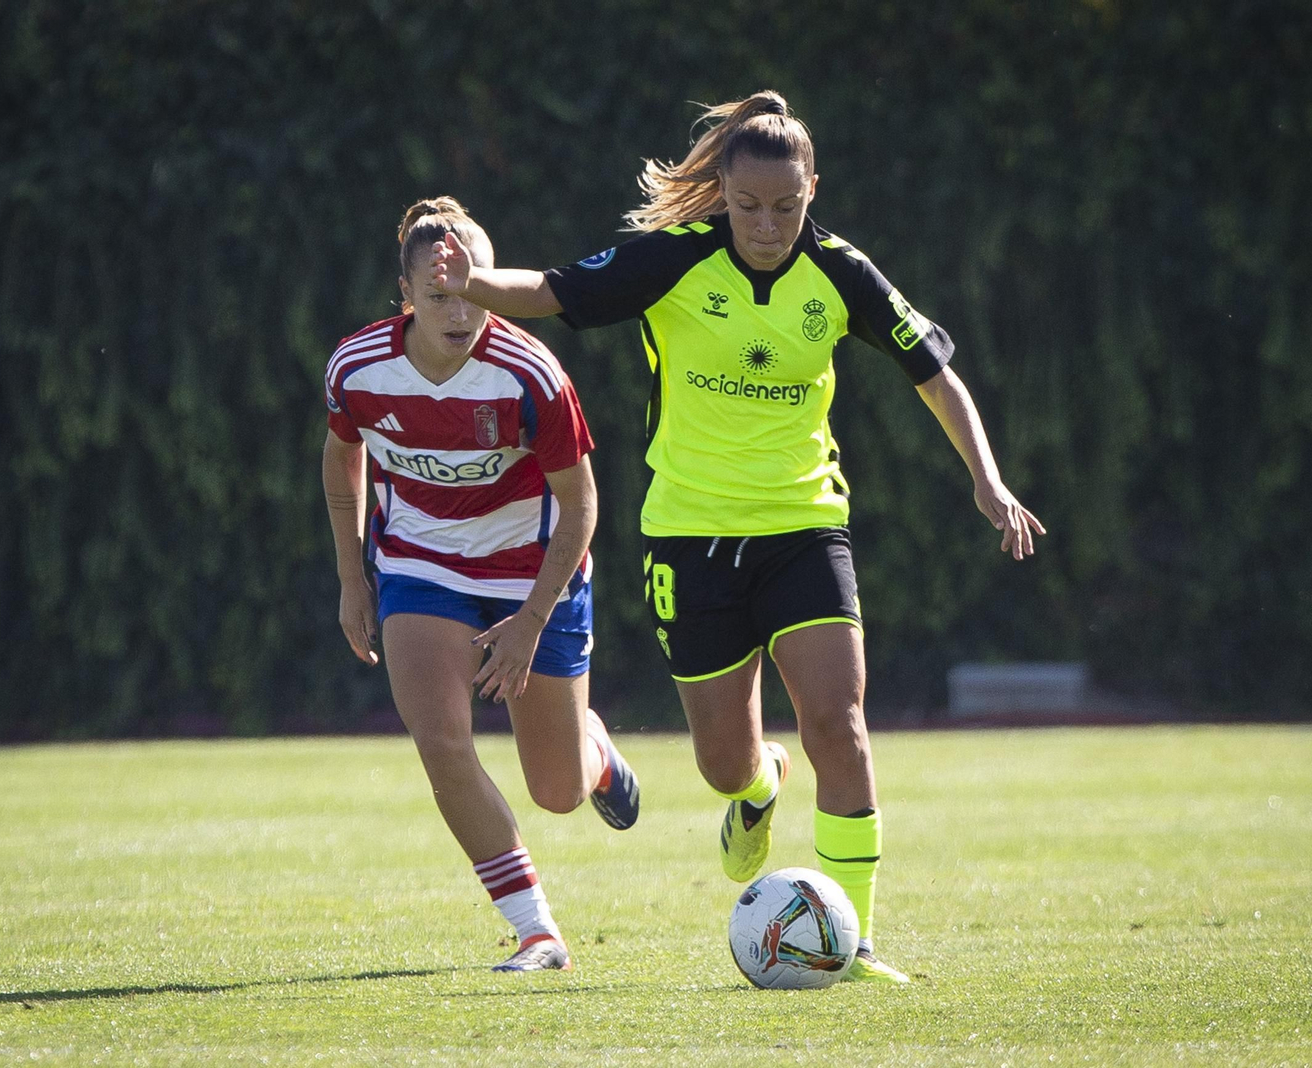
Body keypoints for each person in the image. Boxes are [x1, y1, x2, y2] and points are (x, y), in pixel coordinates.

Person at [429, 92, 1045, 985]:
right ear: (721, 192)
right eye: (749, 206)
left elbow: (936, 376)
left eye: (786, 207)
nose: (767, 224)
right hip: (690, 538)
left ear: (812, 191)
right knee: (723, 766)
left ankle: (854, 942)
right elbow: (555, 293)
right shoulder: (674, 262)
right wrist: (472, 285)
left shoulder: (841, 272)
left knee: (841, 724)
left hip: (804, 526)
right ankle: (761, 784)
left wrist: (986, 480)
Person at [321, 197, 640, 973]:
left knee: (556, 791)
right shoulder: (357, 368)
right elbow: (343, 459)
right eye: (437, 297)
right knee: (442, 744)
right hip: (420, 568)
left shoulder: (530, 372)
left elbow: (583, 503)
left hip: (535, 575)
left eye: (473, 290)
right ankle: (537, 932)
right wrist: (352, 579)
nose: (458, 311)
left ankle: (592, 752)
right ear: (407, 296)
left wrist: (531, 621)